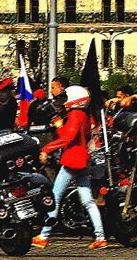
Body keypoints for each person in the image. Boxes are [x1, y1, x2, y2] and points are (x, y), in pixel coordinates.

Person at [32, 85, 106, 249]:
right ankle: (100, 236)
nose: (64, 102)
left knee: (54, 197)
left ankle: (44, 235)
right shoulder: (84, 115)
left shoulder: (74, 114)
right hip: (83, 159)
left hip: (72, 159)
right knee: (88, 201)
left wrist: (47, 148)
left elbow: (68, 137)